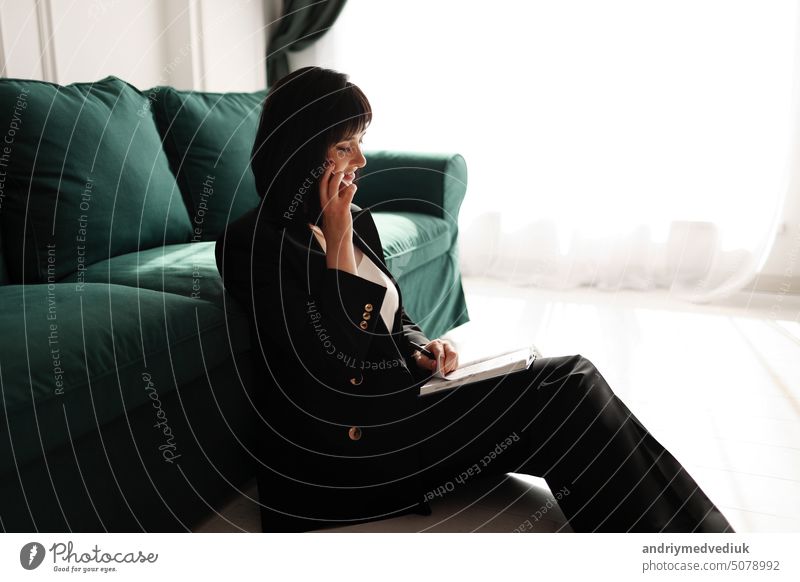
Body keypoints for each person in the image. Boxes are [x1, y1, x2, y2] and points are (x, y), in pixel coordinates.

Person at [215, 66, 734, 533]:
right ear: (305, 148)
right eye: (346, 146)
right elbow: (339, 364)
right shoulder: (253, 242)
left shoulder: (353, 216)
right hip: (346, 453)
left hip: (401, 403)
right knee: (565, 389)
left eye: (360, 142)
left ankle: (692, 540)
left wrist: (424, 346)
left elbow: (397, 316)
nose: (363, 159)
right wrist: (337, 248)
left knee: (565, 396)